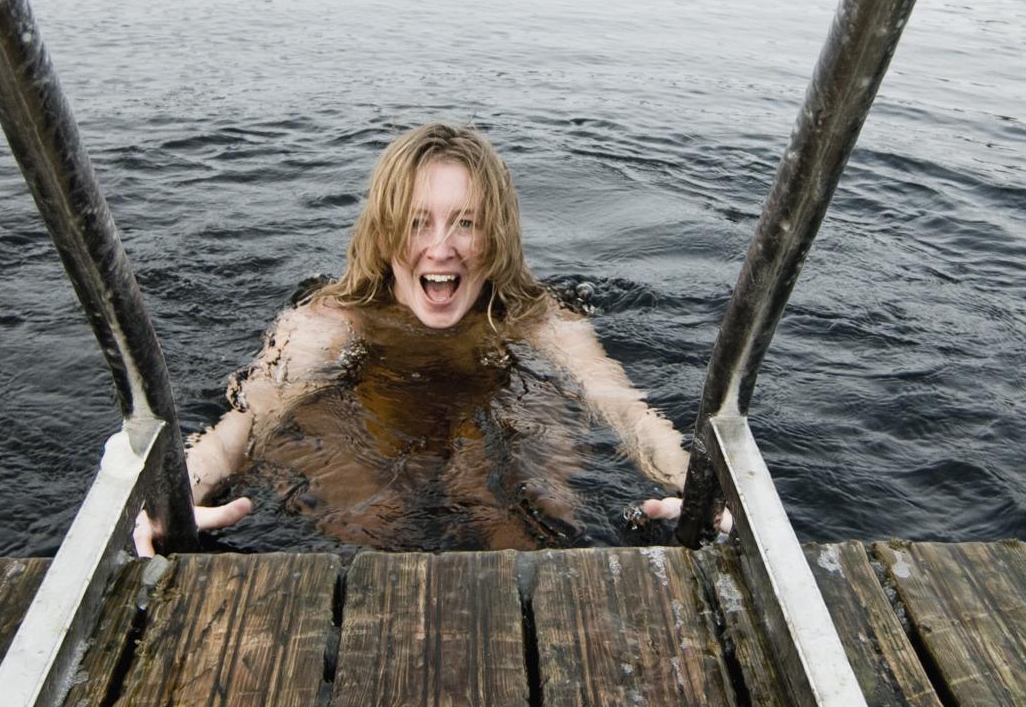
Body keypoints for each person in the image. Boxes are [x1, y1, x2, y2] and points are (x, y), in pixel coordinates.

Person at [133, 122, 707, 553]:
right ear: (384, 236)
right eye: (417, 221)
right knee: (372, 533)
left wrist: (703, 491)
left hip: (492, 420)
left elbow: (628, 414)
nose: (440, 247)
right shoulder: (333, 318)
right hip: (366, 427)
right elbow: (240, 428)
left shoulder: (535, 317)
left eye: (466, 221)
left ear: (497, 234)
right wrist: (168, 500)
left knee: (534, 529)